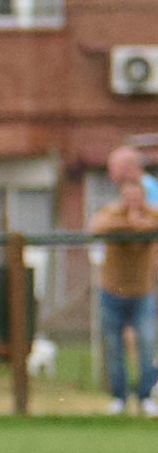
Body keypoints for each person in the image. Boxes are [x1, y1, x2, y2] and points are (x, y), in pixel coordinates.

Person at [87, 164, 158, 416]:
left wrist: (140, 223)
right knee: (113, 347)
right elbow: (97, 226)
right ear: (121, 197)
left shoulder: (152, 213)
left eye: (137, 197)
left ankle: (146, 396)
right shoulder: (110, 212)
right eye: (128, 197)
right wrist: (131, 223)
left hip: (143, 291)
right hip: (112, 291)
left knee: (147, 344)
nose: (132, 202)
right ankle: (119, 398)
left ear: (143, 197)